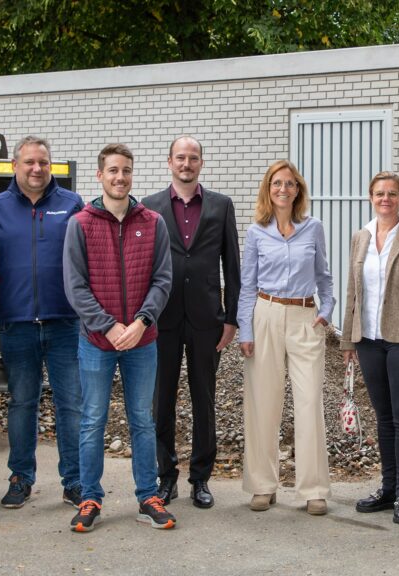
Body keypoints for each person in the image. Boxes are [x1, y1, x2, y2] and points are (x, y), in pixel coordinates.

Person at [63, 143, 174, 532]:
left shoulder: (153, 222)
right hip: (97, 342)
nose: (120, 177)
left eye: (126, 170)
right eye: (112, 170)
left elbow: (162, 279)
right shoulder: (81, 224)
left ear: (132, 174)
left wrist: (142, 321)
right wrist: (108, 326)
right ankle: (90, 497)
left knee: (142, 419)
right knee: (93, 420)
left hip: (142, 341)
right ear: (100, 175)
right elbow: (75, 286)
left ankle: (148, 496)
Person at [0, 136, 85, 509]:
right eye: (29, 162)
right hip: (16, 324)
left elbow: (86, 261)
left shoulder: (72, 205)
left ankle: (75, 481)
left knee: (71, 404)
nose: (37, 169)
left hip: (64, 323)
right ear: (15, 165)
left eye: (43, 162)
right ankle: (20, 478)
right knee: (22, 402)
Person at [142, 136, 241, 509]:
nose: (187, 163)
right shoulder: (150, 206)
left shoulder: (221, 205)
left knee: (204, 400)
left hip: (206, 319)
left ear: (201, 162)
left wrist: (231, 317)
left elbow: (232, 265)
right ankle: (166, 476)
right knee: (161, 401)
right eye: (180, 157)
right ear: (169, 162)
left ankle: (201, 478)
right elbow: (142, 265)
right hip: (162, 319)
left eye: (193, 158)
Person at [238, 159, 334, 516]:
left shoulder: (313, 228)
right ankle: (263, 485)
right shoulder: (256, 232)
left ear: (298, 190)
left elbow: (324, 276)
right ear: (269, 188)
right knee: (263, 402)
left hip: (305, 317)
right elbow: (247, 285)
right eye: (277, 183)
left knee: (309, 402)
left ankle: (314, 489)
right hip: (265, 314)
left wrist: (327, 310)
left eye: (290, 183)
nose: (283, 189)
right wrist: (245, 329)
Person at [341, 172, 399, 524]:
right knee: (383, 418)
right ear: (371, 197)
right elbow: (353, 291)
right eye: (380, 193)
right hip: (368, 339)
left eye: (392, 193)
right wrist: (348, 339)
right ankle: (387, 487)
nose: (386, 199)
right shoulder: (361, 236)